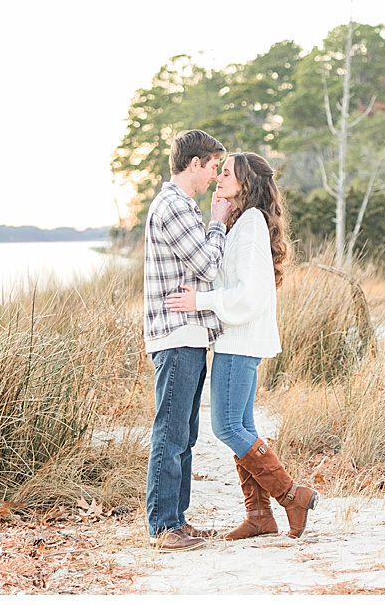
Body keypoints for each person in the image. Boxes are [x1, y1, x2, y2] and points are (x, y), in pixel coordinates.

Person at [165, 151, 319, 540]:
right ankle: (259, 517)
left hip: (240, 339)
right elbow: (227, 277)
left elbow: (246, 294)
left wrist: (199, 301)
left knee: (228, 426)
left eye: (228, 174)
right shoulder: (245, 223)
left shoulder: (250, 225)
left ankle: (291, 495)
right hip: (239, 338)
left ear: (246, 183)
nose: (220, 178)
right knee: (244, 426)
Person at [142, 129, 231, 552]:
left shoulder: (180, 207)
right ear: (194, 163)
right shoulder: (176, 207)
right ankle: (162, 527)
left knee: (186, 433)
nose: (216, 176)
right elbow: (209, 267)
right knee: (171, 432)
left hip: (189, 334)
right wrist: (218, 223)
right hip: (177, 335)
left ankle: (176, 519)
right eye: (214, 166)